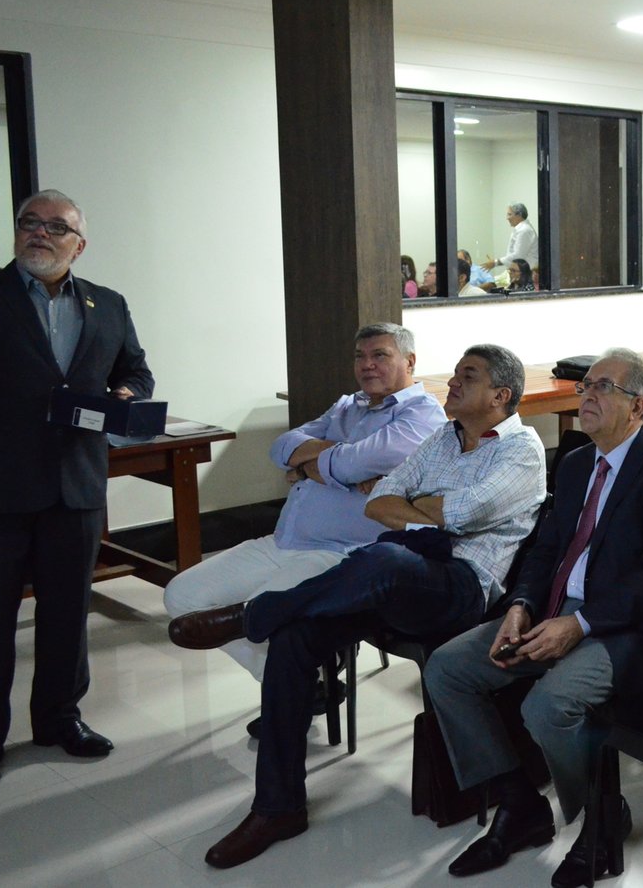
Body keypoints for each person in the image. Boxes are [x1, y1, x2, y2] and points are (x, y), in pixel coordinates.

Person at [169, 345, 547, 869]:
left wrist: (414, 508)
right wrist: (420, 509)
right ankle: (278, 808)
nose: (453, 382)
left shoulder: (521, 451)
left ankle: (254, 614)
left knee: (384, 560)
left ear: (500, 396)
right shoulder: (444, 436)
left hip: (463, 588)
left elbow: (461, 512)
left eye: (468, 376)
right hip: (402, 575)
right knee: (297, 637)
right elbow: (378, 501)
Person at [0, 189, 154, 799]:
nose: (39, 232)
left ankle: (59, 719)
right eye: (29, 223)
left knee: (67, 615)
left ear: (78, 245)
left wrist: (127, 396)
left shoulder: (108, 303)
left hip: (76, 486)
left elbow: (135, 371)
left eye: (55, 226)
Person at [425, 349, 643, 886]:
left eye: (602, 387)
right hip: (556, 610)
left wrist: (580, 624)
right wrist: (522, 606)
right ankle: (519, 804)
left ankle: (604, 814)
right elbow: (546, 548)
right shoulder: (576, 462)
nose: (587, 396)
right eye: (585, 386)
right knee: (448, 669)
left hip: (637, 629)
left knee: (548, 705)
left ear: (638, 406)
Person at [163, 323, 446, 684]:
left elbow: (350, 465)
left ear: (410, 361)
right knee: (181, 596)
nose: (367, 365)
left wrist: (307, 467)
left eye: (380, 355)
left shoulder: (421, 414)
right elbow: (281, 447)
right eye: (359, 356)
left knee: (258, 613)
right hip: (284, 540)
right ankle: (305, 680)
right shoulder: (348, 405)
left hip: (342, 553)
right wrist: (342, 459)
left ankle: (294, 683)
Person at [480, 202, 539, 273]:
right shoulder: (521, 229)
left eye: (509, 214)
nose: (507, 218)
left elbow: (518, 256)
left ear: (519, 215)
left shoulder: (524, 230)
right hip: (521, 272)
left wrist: (495, 262)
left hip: (527, 273)